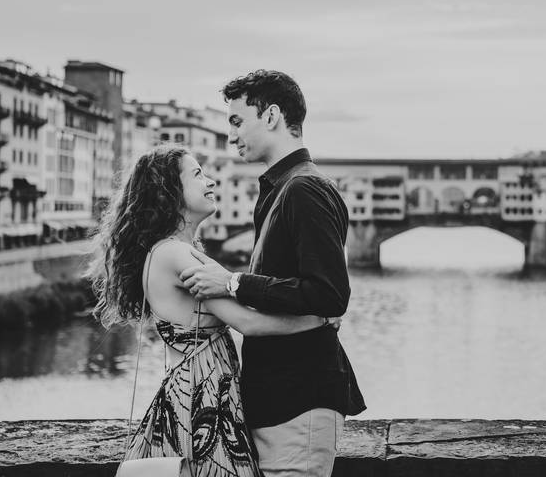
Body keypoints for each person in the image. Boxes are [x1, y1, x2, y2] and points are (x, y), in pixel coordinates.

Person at [86, 144, 334, 477]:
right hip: (200, 404)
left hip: (201, 397)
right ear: (169, 191)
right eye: (198, 174)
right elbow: (248, 321)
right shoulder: (175, 254)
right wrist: (319, 319)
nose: (211, 181)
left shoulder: (179, 251)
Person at [180, 70, 365, 477]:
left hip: (300, 399)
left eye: (236, 121)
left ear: (272, 116)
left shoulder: (303, 189)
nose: (231, 135)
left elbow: (330, 295)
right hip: (281, 401)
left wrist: (232, 283)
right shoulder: (284, 188)